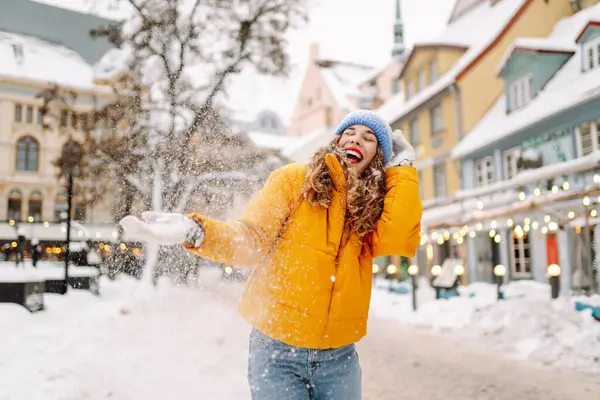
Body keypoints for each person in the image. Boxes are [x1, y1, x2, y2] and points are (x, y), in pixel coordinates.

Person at [120, 110, 422, 399]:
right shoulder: (294, 180)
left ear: (378, 157)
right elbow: (251, 238)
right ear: (336, 141)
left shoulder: (369, 210)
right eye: (349, 132)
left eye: (370, 138)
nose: (356, 139)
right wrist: (197, 231)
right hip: (278, 353)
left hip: (339, 359)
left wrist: (404, 169)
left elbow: (400, 240)